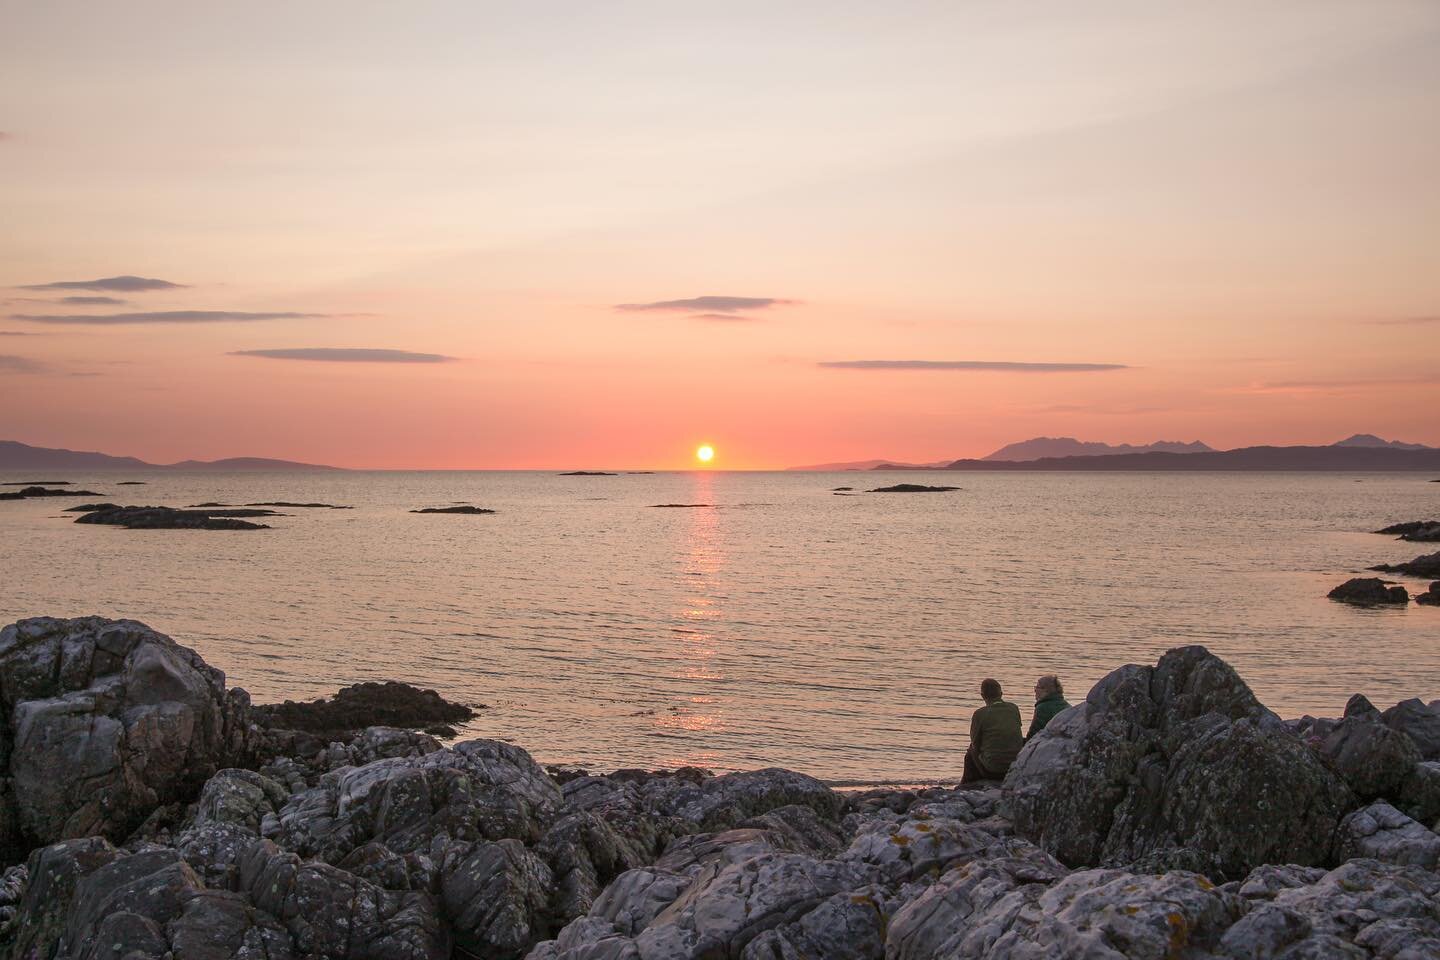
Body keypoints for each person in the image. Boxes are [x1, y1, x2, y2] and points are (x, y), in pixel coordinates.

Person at [961, 678, 1024, 783]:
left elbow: (975, 743)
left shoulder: (979, 714)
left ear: (982, 696)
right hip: (1014, 767)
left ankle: (966, 783)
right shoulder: (1013, 708)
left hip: (992, 771)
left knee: (970, 751)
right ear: (1001, 693)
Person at [1027, 674, 1070, 740]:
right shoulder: (1067, 705)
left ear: (1046, 690)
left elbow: (1034, 733)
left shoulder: (1042, 708)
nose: (1035, 690)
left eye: (1037, 687)